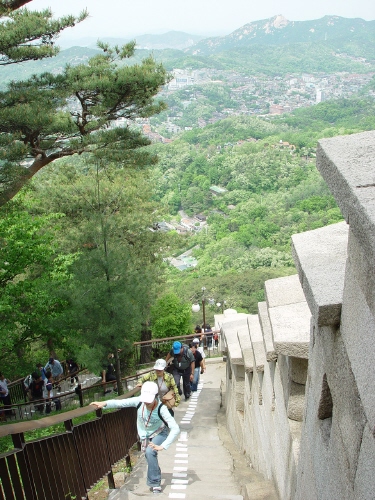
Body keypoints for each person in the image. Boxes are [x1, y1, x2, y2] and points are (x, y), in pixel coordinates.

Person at [90, 381, 180, 494]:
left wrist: (163, 446)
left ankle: (155, 482)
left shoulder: (161, 408)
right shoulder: (139, 402)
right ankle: (155, 474)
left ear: (155, 396)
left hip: (160, 433)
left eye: (149, 400)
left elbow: (175, 428)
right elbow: (121, 403)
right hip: (145, 435)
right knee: (150, 455)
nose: (146, 402)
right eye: (145, 399)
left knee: (149, 452)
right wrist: (104, 403)